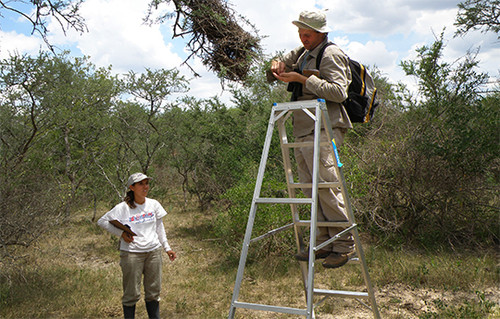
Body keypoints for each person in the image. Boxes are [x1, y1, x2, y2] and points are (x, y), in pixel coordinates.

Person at [269, 10, 354, 269]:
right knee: (310, 189)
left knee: (327, 187)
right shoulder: (303, 52)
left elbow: (339, 92)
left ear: (320, 33)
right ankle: (322, 243)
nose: (303, 38)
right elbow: (280, 60)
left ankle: (343, 244)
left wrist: (303, 79)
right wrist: (276, 64)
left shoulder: (332, 53)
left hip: (325, 128)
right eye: (300, 34)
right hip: (303, 128)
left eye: (307, 34)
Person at [98, 173, 177, 319]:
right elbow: (102, 221)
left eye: (146, 183)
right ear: (132, 187)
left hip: (153, 251)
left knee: (153, 291)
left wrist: (167, 248)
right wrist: (121, 233)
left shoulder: (153, 204)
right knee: (131, 293)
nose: (145, 187)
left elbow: (160, 227)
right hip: (132, 253)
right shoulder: (123, 208)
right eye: (141, 184)